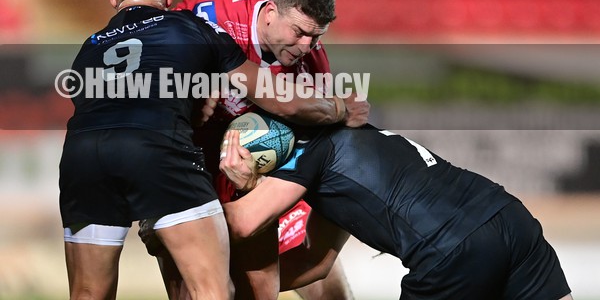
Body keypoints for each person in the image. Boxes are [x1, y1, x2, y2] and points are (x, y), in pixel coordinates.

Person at [58, 0, 367, 300]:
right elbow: (279, 98)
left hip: (82, 157)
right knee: (212, 290)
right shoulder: (193, 23)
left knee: (87, 293)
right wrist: (342, 109)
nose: (309, 44)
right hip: (160, 153)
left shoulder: (89, 47)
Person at [141, 0, 360, 300]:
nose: (307, 45)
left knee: (294, 286)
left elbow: (311, 143)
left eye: (317, 36)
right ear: (271, 11)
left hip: (252, 179)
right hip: (190, 165)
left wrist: (262, 185)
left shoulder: (313, 66)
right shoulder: (210, 14)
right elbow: (147, 56)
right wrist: (188, 93)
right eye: (300, 32)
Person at [219, 124, 574, 300]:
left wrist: (247, 188)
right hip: (510, 218)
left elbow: (243, 221)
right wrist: (247, 286)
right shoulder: (357, 140)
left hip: (449, 249)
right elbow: (318, 263)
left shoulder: (305, 153)